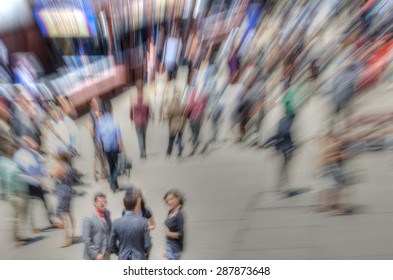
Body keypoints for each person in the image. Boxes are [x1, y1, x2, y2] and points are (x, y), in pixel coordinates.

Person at [13, 136, 58, 232]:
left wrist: (44, 173)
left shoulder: (32, 152)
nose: (31, 145)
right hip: (27, 183)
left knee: (45, 202)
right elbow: (24, 171)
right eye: (28, 144)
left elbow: (41, 163)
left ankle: (51, 220)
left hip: (37, 182)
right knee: (32, 205)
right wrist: (37, 177)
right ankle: (34, 227)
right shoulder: (18, 155)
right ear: (22, 144)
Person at [0, 135, 30, 247]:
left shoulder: (10, 161)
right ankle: (15, 239)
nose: (12, 150)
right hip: (14, 193)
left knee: (21, 214)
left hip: (21, 191)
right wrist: (9, 195)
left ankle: (18, 236)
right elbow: (6, 180)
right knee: (16, 217)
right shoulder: (4, 163)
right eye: (10, 149)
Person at [109, 190, 152, 260]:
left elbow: (111, 244)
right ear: (136, 204)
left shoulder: (116, 222)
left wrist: (119, 253)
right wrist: (145, 252)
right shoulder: (143, 222)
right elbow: (147, 244)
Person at [96, 101, 124, 192]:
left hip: (106, 148)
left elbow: (98, 137)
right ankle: (113, 181)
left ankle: (114, 184)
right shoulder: (114, 120)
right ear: (111, 109)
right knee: (118, 166)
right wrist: (122, 147)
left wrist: (101, 148)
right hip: (115, 147)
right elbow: (118, 136)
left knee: (111, 165)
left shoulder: (99, 122)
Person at [51, 153, 76, 248]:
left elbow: (53, 175)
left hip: (63, 192)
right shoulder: (69, 166)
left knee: (61, 214)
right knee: (69, 213)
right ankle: (72, 235)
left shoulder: (62, 167)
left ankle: (67, 237)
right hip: (68, 190)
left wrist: (53, 171)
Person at [83, 192, 112, 260]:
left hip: (106, 252)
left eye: (104, 201)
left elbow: (109, 231)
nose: (102, 203)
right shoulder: (89, 218)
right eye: (100, 201)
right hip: (95, 256)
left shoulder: (107, 213)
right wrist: (95, 255)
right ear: (95, 204)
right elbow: (86, 239)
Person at [88, 97, 107, 181]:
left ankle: (103, 171)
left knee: (103, 155)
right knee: (98, 155)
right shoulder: (92, 113)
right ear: (91, 105)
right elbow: (91, 124)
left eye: (96, 102)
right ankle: (98, 172)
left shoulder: (102, 111)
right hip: (97, 138)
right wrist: (91, 131)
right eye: (94, 103)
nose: (95, 104)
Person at [164, 189, 185, 260]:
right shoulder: (170, 212)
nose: (169, 202)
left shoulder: (179, 215)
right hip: (169, 246)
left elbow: (180, 234)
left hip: (175, 249)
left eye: (171, 199)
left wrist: (168, 233)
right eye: (167, 201)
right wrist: (165, 249)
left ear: (178, 199)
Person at [130, 86, 150, 159]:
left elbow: (131, 110)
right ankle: (143, 150)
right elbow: (148, 110)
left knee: (139, 136)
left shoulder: (134, 98)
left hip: (137, 120)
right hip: (145, 120)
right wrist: (148, 117)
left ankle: (143, 152)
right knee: (143, 136)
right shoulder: (146, 98)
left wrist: (131, 118)